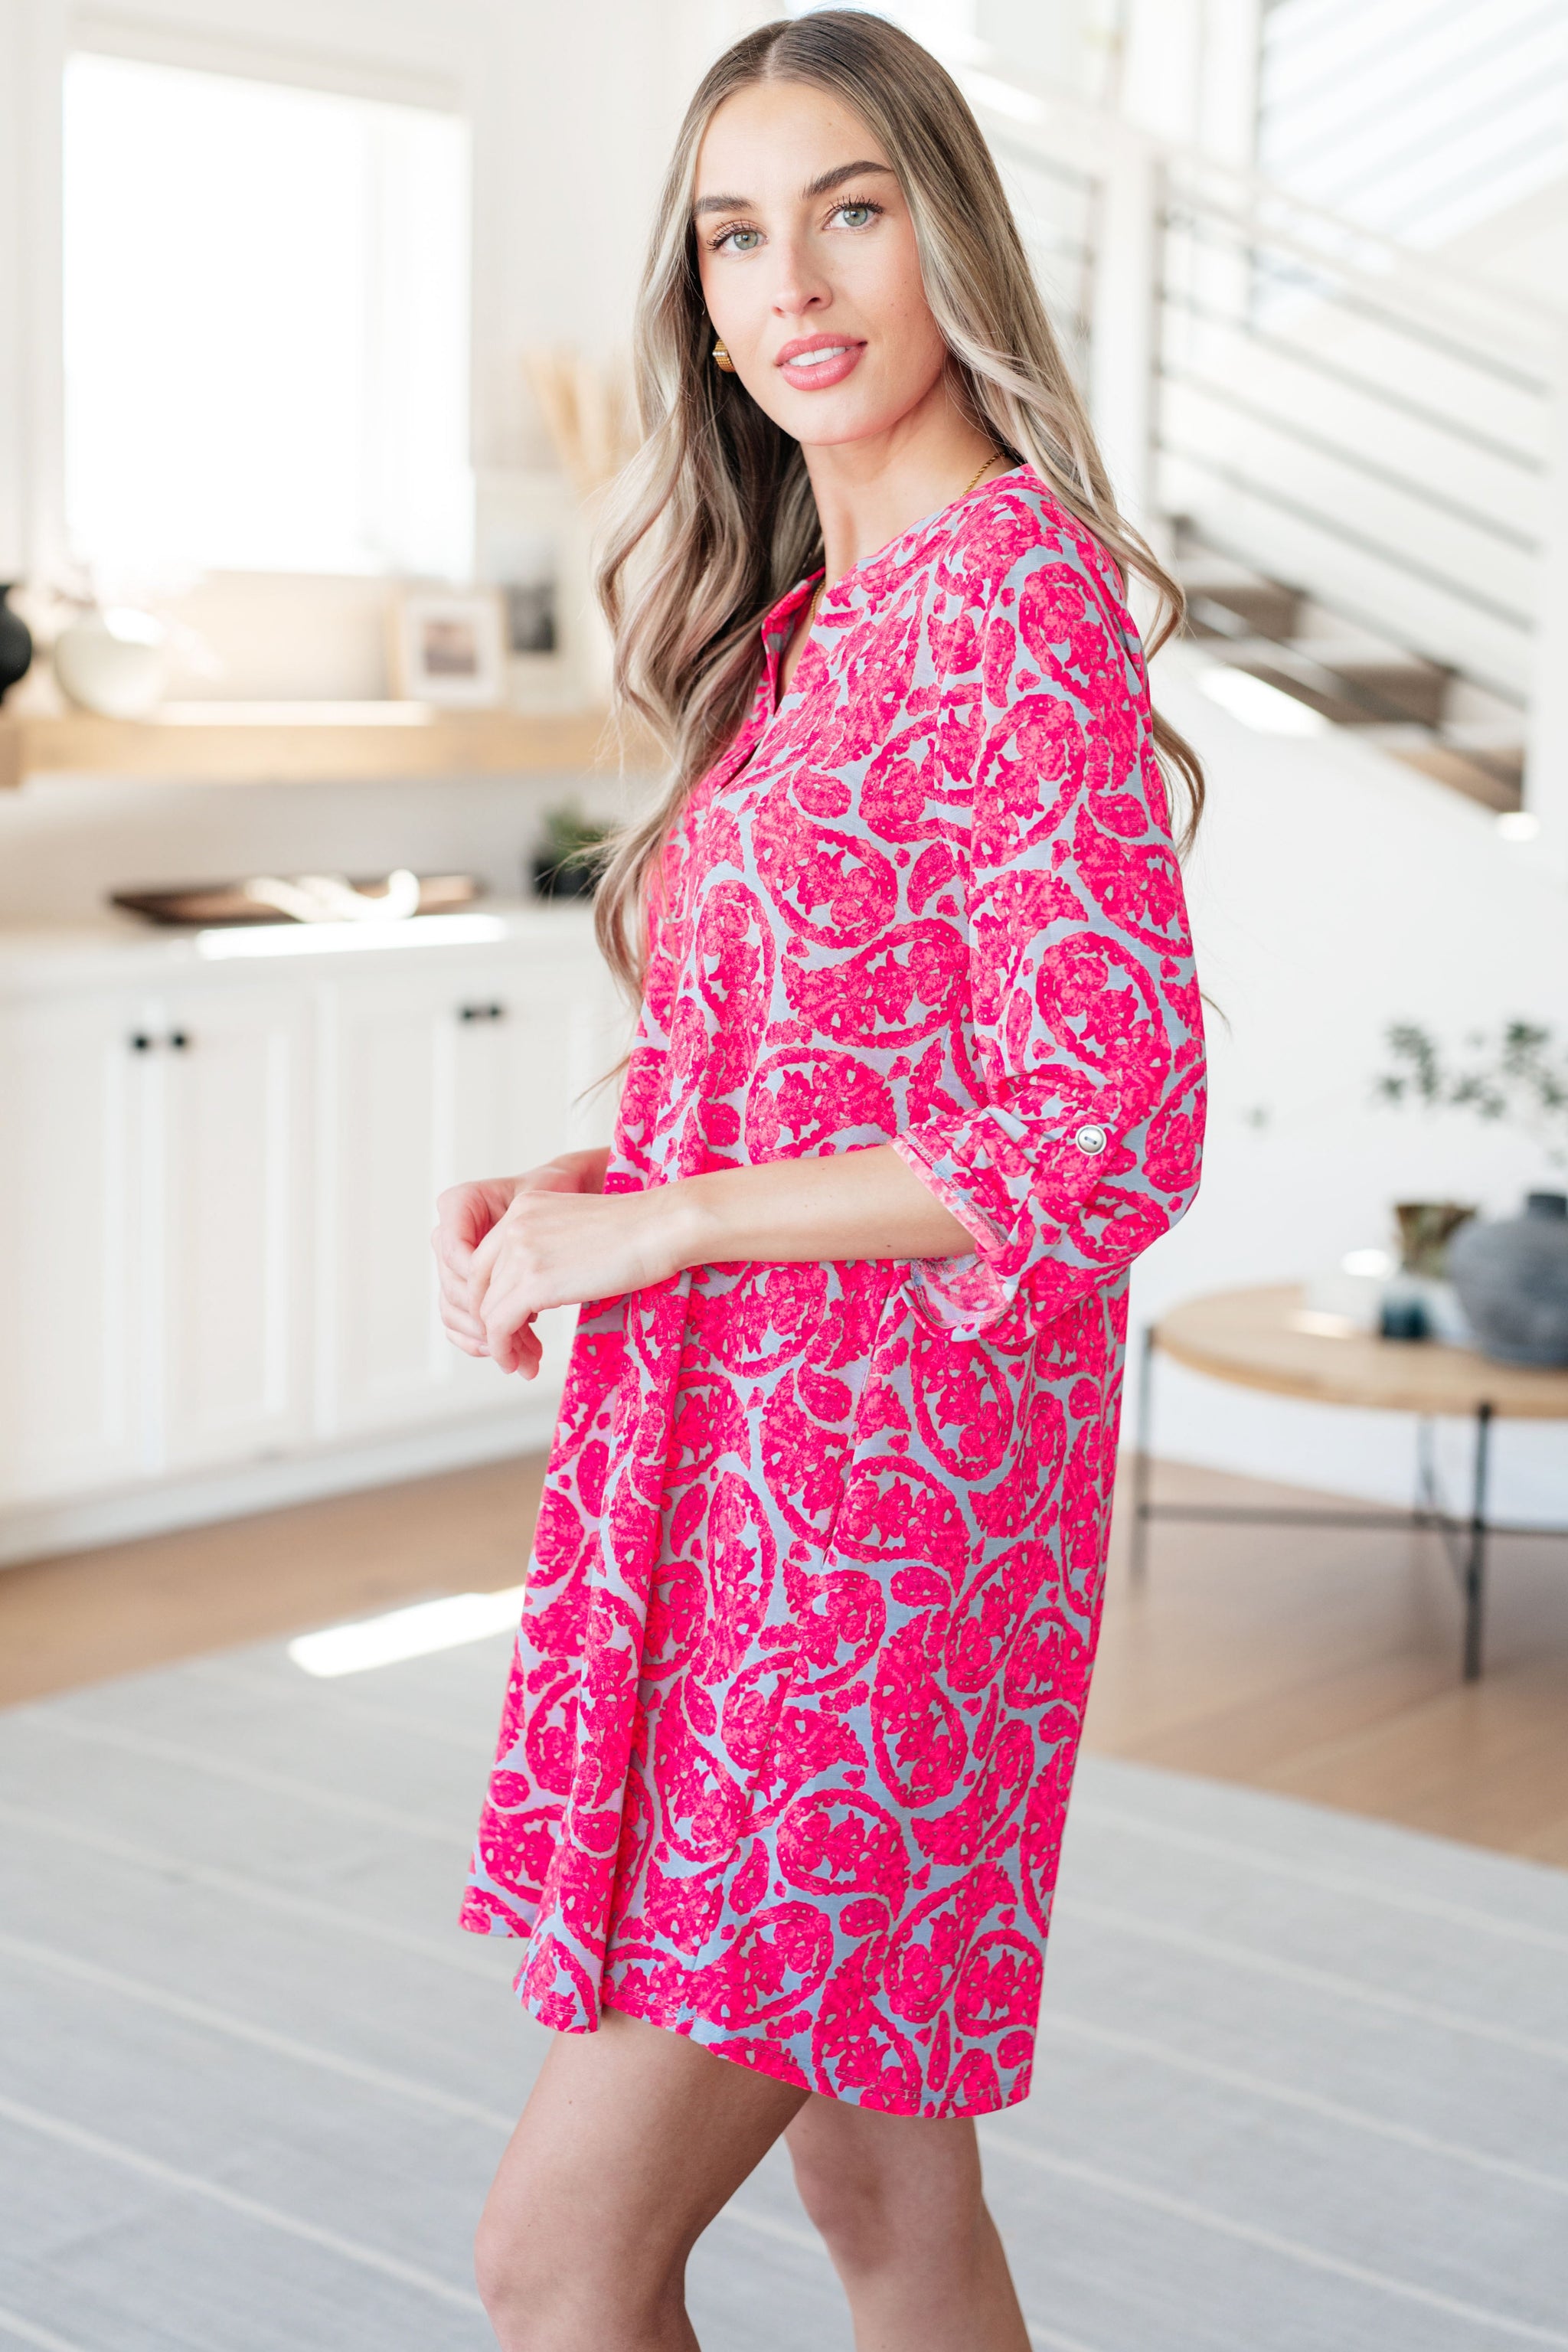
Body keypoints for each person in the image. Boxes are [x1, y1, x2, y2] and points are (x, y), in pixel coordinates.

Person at [431, 15, 1205, 2348]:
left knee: (559, 2257)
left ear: (946, 229)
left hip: (877, 1539)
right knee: (887, 2201)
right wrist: (602, 1168)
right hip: (751, 1491)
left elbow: (1110, 1118)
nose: (792, 280)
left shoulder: (1009, 597)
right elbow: (828, 1055)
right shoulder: (817, 616)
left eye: (850, 208)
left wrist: (666, 1226)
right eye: (733, 234)